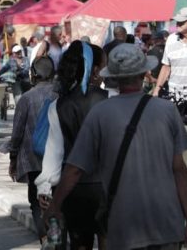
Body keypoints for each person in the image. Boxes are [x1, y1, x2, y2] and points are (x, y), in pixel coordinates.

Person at [45, 44, 187, 249]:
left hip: (125, 227)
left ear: (114, 78)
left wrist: (55, 205)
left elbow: (74, 169)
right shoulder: (168, 110)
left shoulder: (100, 113)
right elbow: (179, 169)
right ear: (144, 74)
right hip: (167, 224)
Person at [35, 41, 108, 249]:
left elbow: (55, 152)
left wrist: (45, 187)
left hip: (74, 188)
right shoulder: (111, 99)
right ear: (95, 70)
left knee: (80, 244)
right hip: (108, 184)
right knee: (109, 239)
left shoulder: (58, 105)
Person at [8, 56, 58, 245]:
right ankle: (55, 237)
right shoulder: (61, 95)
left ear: (33, 75)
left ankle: (45, 239)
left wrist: (13, 158)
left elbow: (17, 133)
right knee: (57, 200)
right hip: (59, 159)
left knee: (37, 202)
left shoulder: (26, 98)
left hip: (34, 160)